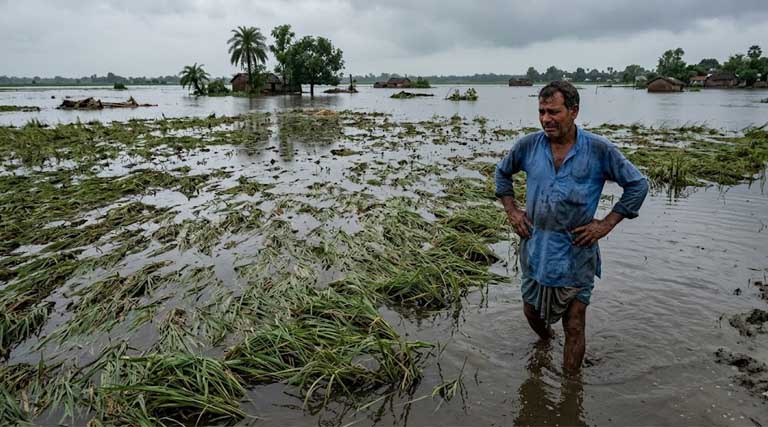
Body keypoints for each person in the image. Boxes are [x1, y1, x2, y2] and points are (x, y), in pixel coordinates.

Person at [495, 81, 648, 372]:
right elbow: (502, 174)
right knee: (530, 310)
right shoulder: (528, 146)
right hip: (536, 245)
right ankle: (547, 340)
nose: (545, 119)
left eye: (553, 112)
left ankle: (570, 391)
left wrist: (606, 224)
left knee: (575, 324)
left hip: (576, 250)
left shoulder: (599, 150)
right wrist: (512, 211)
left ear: (574, 111)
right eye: (541, 111)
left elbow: (638, 185)